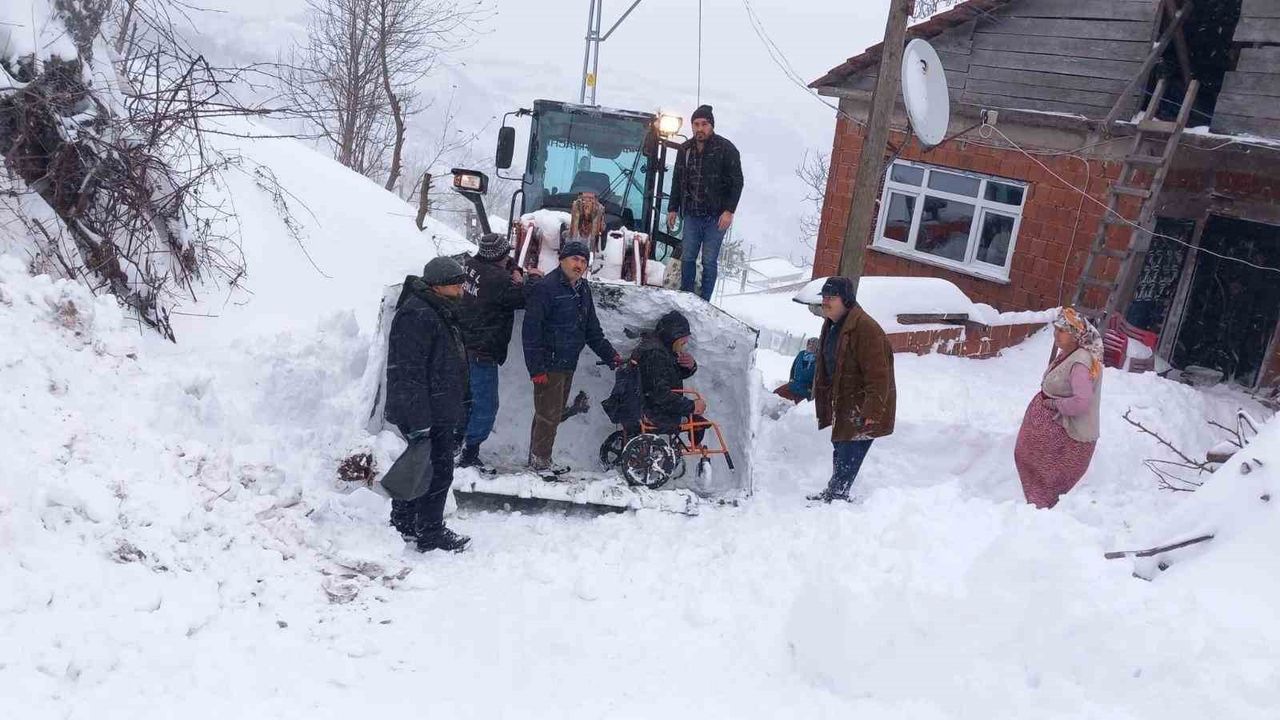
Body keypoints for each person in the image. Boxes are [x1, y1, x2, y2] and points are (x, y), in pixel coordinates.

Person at [384, 256, 471, 552]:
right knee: (437, 470)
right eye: (456, 284)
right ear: (437, 285)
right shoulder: (418, 315)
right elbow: (408, 373)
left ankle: (405, 522)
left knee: (421, 465)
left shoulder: (438, 309)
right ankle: (430, 531)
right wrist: (420, 420)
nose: (461, 289)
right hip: (426, 410)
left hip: (438, 406)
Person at [522, 240, 622, 477]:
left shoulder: (583, 289)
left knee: (551, 413)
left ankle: (538, 458)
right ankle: (540, 463)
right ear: (562, 260)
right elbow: (531, 331)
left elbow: (592, 330)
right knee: (548, 415)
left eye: (584, 261)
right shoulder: (546, 288)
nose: (579, 265)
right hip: (549, 363)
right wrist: (536, 369)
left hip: (568, 362)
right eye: (575, 259)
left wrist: (611, 356)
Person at [456, 233, 538, 474]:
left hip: (463, 344)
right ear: (499, 257)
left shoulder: (471, 265)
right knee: (485, 406)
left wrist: (512, 268)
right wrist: (531, 278)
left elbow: (501, 272)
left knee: (464, 400)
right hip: (483, 350)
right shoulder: (497, 280)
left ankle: (455, 443)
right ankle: (468, 453)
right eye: (506, 255)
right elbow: (524, 297)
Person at [808, 277, 896, 503]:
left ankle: (837, 495)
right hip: (845, 402)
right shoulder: (833, 323)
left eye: (831, 298)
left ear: (846, 300)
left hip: (862, 405)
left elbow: (879, 375)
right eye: (824, 297)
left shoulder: (866, 329)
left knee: (850, 450)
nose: (825, 302)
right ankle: (834, 492)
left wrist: (872, 411)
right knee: (840, 446)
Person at [1014, 307, 1103, 509]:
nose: (1056, 334)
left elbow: (1081, 402)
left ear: (1076, 335)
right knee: (1037, 479)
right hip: (1055, 433)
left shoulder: (1080, 362)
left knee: (1047, 484)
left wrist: (1054, 404)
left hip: (1068, 439)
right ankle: (1035, 507)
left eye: (1062, 331)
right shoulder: (1069, 354)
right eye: (1055, 329)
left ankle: (1039, 511)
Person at [666, 104, 744, 301]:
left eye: (704, 124)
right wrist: (673, 208)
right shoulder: (685, 149)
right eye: (696, 124)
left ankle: (704, 302)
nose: (700, 128)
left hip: (716, 217)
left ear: (711, 125)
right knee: (688, 257)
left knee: (709, 260)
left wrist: (729, 211)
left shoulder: (726, 149)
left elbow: (737, 182)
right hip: (692, 214)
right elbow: (677, 179)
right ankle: (686, 296)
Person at [635, 310, 704, 434]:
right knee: (701, 423)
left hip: (654, 407)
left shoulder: (661, 350)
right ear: (673, 336)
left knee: (699, 422)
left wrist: (690, 366)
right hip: (654, 412)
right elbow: (659, 394)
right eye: (683, 339)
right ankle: (697, 444)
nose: (685, 342)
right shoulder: (655, 355)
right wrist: (691, 406)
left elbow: (669, 376)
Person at [775, 338, 818, 403]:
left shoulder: (818, 359)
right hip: (794, 385)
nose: (811, 346)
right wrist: (791, 380)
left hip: (805, 391)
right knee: (776, 394)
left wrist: (811, 390)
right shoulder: (801, 354)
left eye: (814, 344)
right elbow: (793, 368)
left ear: (817, 347)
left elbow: (818, 379)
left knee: (797, 406)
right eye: (809, 344)